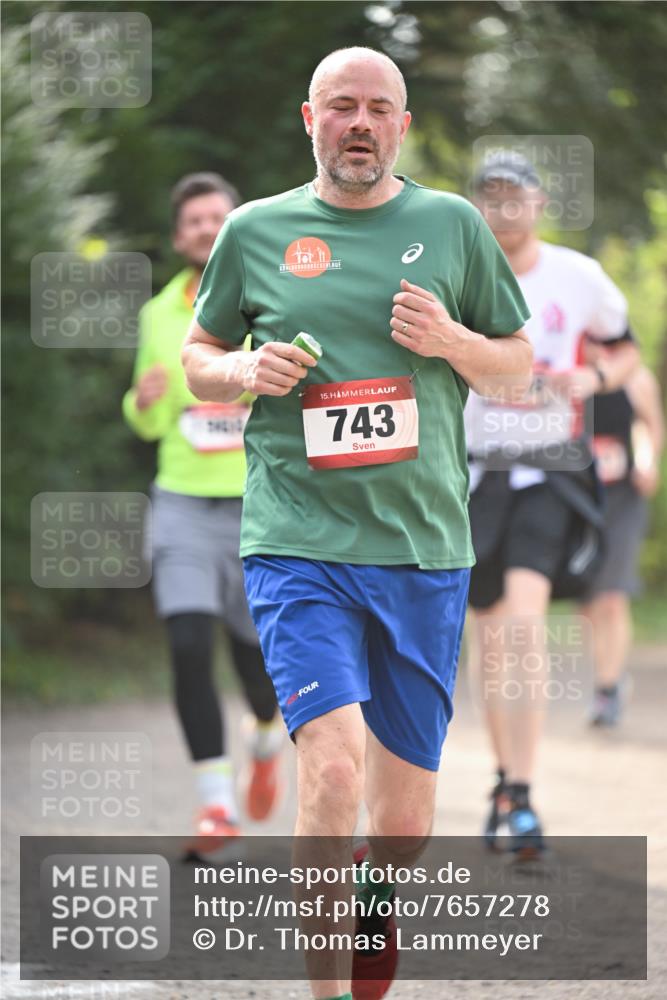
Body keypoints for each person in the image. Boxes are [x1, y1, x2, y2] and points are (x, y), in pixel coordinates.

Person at [182, 48, 532, 1000]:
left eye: (379, 109)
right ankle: (325, 990)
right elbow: (198, 352)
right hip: (298, 543)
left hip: (422, 551)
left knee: (404, 822)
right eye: (343, 108)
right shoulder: (256, 232)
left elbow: (517, 364)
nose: (361, 124)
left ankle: (374, 892)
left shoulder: (451, 226)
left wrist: (453, 342)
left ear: (402, 125)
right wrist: (241, 373)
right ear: (311, 120)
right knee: (332, 775)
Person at [465, 152, 640, 856]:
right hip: (476, 477)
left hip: (551, 472)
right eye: (490, 198)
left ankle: (527, 792)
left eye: (516, 197)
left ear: (538, 203)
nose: (503, 210)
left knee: (524, 628)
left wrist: (589, 376)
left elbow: (624, 352)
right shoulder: (458, 273)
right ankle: (503, 778)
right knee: (489, 641)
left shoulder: (578, 276)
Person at [123, 172, 284, 854]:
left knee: (257, 666)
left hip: (259, 505)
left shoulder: (272, 297)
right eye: (193, 220)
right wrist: (146, 397)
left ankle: (265, 738)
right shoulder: (158, 313)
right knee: (188, 646)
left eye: (218, 216)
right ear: (177, 235)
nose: (206, 228)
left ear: (237, 222)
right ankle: (215, 807)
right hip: (183, 504)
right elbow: (146, 419)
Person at [580, 353, 664, 725]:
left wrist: (647, 462)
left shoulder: (637, 378)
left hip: (623, 497)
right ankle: (607, 674)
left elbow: (649, 426)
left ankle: (608, 688)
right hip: (579, 497)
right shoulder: (571, 371)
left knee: (611, 596)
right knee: (585, 602)